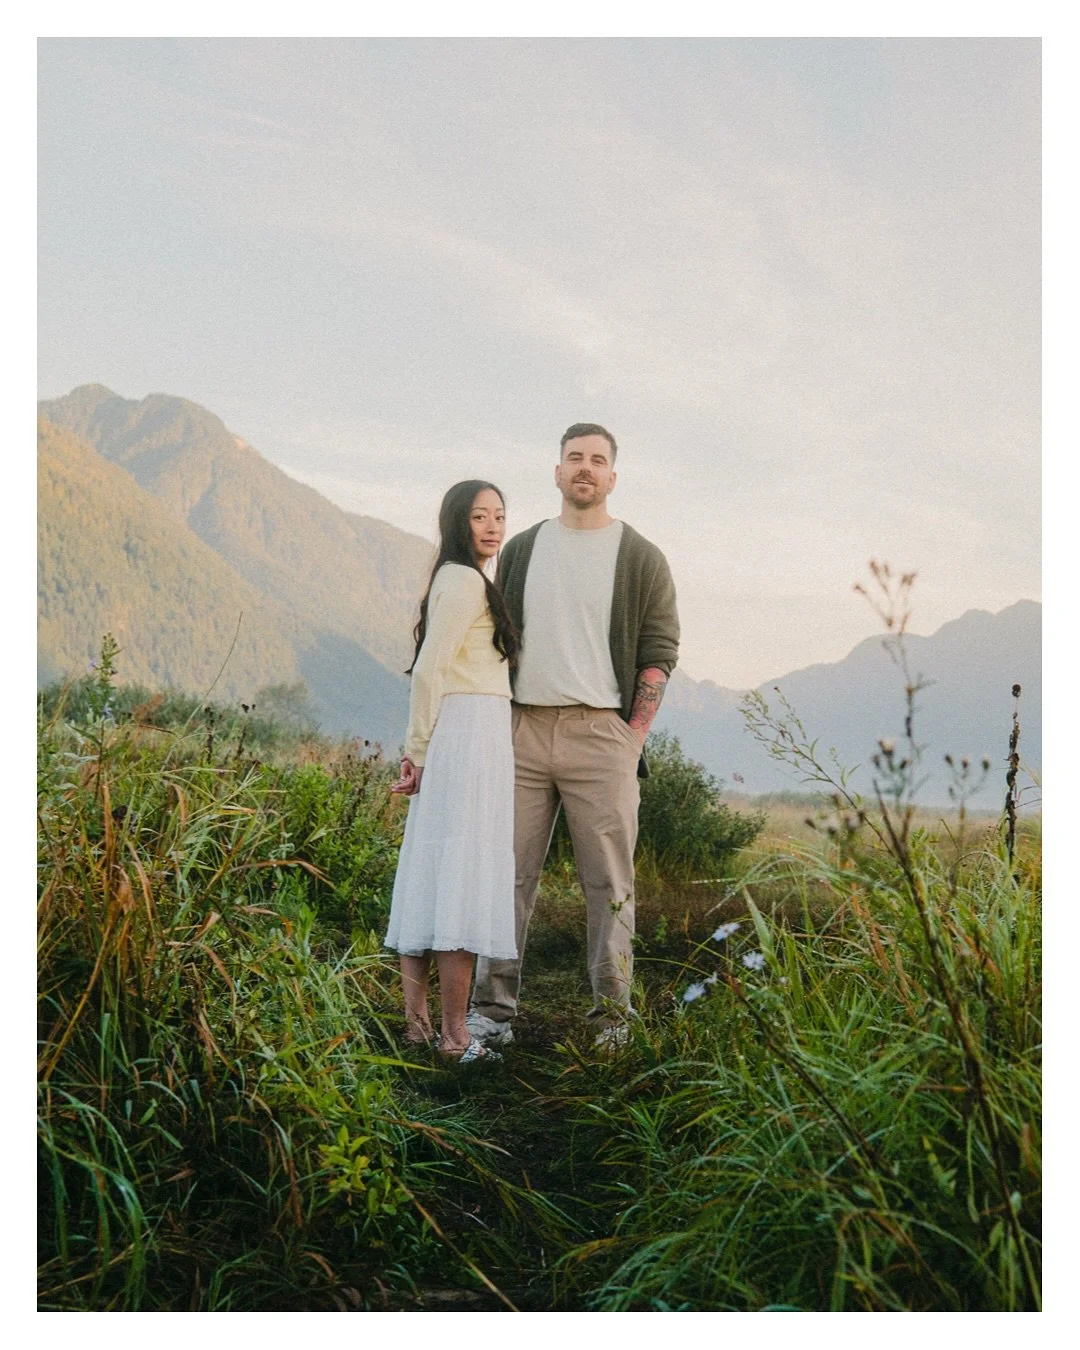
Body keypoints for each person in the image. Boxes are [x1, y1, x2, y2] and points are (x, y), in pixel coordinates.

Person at [467, 424, 679, 1052]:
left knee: (609, 884)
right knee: (506, 876)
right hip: (523, 729)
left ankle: (613, 1020)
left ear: (613, 477)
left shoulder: (642, 557)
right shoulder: (525, 549)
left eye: (598, 461)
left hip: (602, 736)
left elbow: (659, 653)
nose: (585, 469)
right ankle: (491, 1013)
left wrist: (632, 737)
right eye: (574, 458)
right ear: (556, 472)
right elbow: (492, 639)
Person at [384, 480, 519, 1062]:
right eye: (478, 517)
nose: (491, 526)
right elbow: (428, 669)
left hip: (462, 732)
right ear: (456, 523)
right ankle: (455, 1037)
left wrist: (421, 749)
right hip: (469, 734)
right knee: (460, 877)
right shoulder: (465, 581)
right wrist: (418, 750)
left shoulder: (456, 577)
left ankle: (418, 1029)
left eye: (499, 516)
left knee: (431, 873)